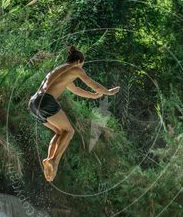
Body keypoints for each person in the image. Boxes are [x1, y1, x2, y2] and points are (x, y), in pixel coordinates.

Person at [28, 45, 120, 181]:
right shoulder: (75, 69)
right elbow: (92, 84)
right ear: (78, 62)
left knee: (60, 132)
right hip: (46, 100)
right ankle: (54, 161)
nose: (81, 69)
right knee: (70, 131)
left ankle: (49, 161)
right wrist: (108, 92)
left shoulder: (60, 70)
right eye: (82, 66)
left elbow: (76, 89)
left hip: (33, 103)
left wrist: (94, 96)